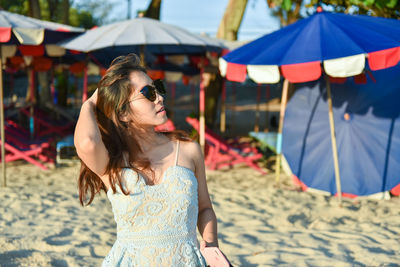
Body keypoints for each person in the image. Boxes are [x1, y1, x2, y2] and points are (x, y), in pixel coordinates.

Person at [74, 54, 219, 266]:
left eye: (158, 88)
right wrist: (89, 103)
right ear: (123, 113)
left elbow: (205, 208)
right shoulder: (111, 161)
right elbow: (86, 142)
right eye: (148, 93)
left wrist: (211, 245)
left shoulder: (188, 149)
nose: (159, 97)